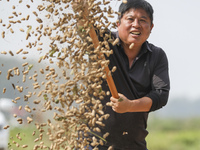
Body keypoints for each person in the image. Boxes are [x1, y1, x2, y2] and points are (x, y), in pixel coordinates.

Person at [75, 0, 170, 149]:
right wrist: (81, 7)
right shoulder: (102, 42)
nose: (136, 25)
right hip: (91, 143)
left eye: (143, 20)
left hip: (132, 144)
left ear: (151, 27)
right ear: (118, 24)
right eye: (130, 19)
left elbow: (160, 95)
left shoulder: (156, 56)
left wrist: (130, 106)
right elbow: (84, 26)